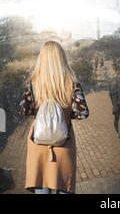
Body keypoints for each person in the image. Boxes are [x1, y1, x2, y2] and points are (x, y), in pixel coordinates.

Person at [18, 40, 89, 194]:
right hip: (63, 143)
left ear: (41, 59)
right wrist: (65, 113)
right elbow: (82, 113)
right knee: (64, 185)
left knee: (41, 185)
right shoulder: (72, 83)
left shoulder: (34, 82)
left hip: (39, 144)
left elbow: (24, 109)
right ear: (62, 59)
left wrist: (41, 111)